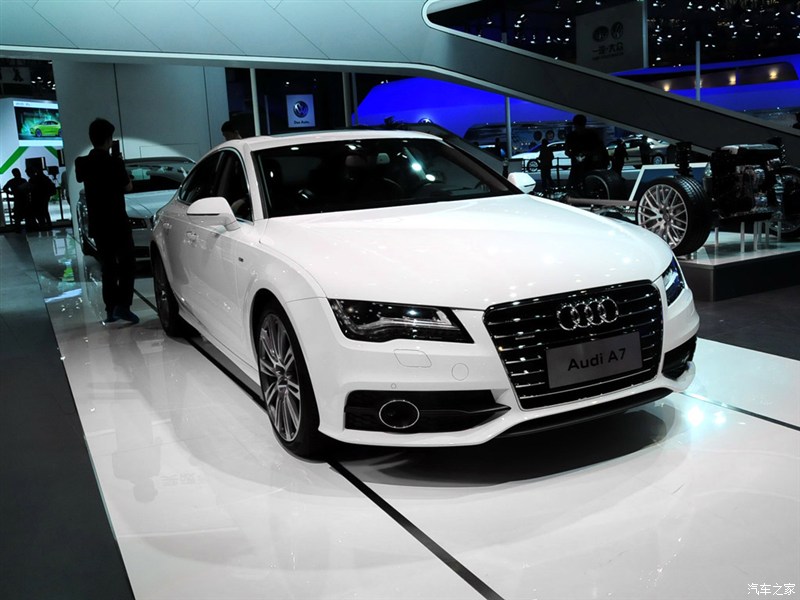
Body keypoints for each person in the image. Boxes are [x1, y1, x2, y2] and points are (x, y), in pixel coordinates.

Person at [74, 118, 139, 324]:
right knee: (127, 264)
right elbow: (128, 187)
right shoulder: (114, 162)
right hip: (117, 221)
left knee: (108, 267)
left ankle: (110, 309)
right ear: (109, 139)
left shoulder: (81, 162)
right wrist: (119, 164)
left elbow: (80, 178)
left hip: (98, 223)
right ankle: (123, 306)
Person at [564, 114, 608, 191]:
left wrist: (576, 155)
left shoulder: (571, 136)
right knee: (590, 186)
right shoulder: (592, 135)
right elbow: (600, 149)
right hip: (590, 166)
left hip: (578, 167)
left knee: (574, 186)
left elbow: (567, 151)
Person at [26, 165, 55, 229]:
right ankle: (49, 224)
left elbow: (31, 188)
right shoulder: (43, 177)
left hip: (36, 198)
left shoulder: (32, 180)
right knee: (45, 211)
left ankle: (42, 224)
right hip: (44, 197)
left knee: (38, 212)